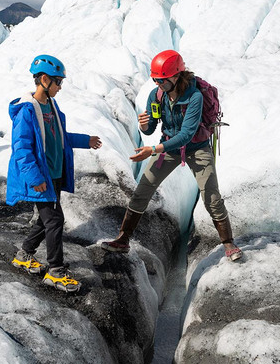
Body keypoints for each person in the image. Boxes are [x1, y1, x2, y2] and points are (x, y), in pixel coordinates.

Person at [101, 50, 243, 261]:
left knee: (211, 197)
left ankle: (229, 243)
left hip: (197, 148)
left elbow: (186, 135)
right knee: (142, 191)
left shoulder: (194, 97)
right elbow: (151, 130)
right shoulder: (156, 95)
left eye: (162, 80)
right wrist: (145, 125)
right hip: (168, 148)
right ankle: (123, 239)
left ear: (176, 76)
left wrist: (154, 150)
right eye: (155, 80)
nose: (158, 84)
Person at [8, 55, 102, 293]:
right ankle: (56, 271)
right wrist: (35, 178)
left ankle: (24, 255)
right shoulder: (27, 111)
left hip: (54, 174)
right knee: (55, 220)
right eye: (58, 82)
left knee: (45, 219)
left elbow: (61, 137)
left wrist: (85, 141)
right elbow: (22, 149)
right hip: (41, 177)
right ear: (44, 79)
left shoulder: (51, 106)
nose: (60, 87)